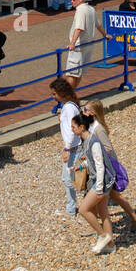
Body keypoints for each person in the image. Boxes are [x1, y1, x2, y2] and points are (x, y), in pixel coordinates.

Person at [83, 99, 136, 233]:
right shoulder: (91, 127)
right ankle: (134, 219)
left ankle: (133, 219)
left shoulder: (99, 129)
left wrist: (95, 153)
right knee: (109, 195)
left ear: (92, 113)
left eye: (85, 110)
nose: (83, 112)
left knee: (108, 195)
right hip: (100, 167)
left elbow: (108, 148)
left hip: (106, 168)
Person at [69, 114, 116, 253]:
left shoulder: (93, 142)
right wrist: (81, 166)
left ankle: (103, 236)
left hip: (102, 182)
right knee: (103, 213)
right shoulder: (86, 141)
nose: (72, 130)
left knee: (83, 209)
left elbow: (100, 165)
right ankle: (111, 246)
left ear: (81, 127)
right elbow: (91, 161)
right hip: (102, 180)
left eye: (73, 127)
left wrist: (100, 188)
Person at [50, 77, 82, 218]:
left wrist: (67, 149)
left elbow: (70, 130)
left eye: (54, 94)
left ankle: (71, 208)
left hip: (73, 148)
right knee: (72, 177)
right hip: (75, 146)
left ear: (61, 93)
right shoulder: (70, 106)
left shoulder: (68, 107)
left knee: (68, 178)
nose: (53, 97)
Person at [65, 0, 98, 94]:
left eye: (73, 0)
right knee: (79, 73)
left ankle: (67, 97)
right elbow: (98, 24)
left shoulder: (80, 10)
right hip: (88, 45)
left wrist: (72, 43)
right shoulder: (91, 9)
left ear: (80, 0)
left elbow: (79, 28)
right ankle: (71, 95)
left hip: (79, 47)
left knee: (71, 73)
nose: (71, 1)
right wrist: (105, 35)